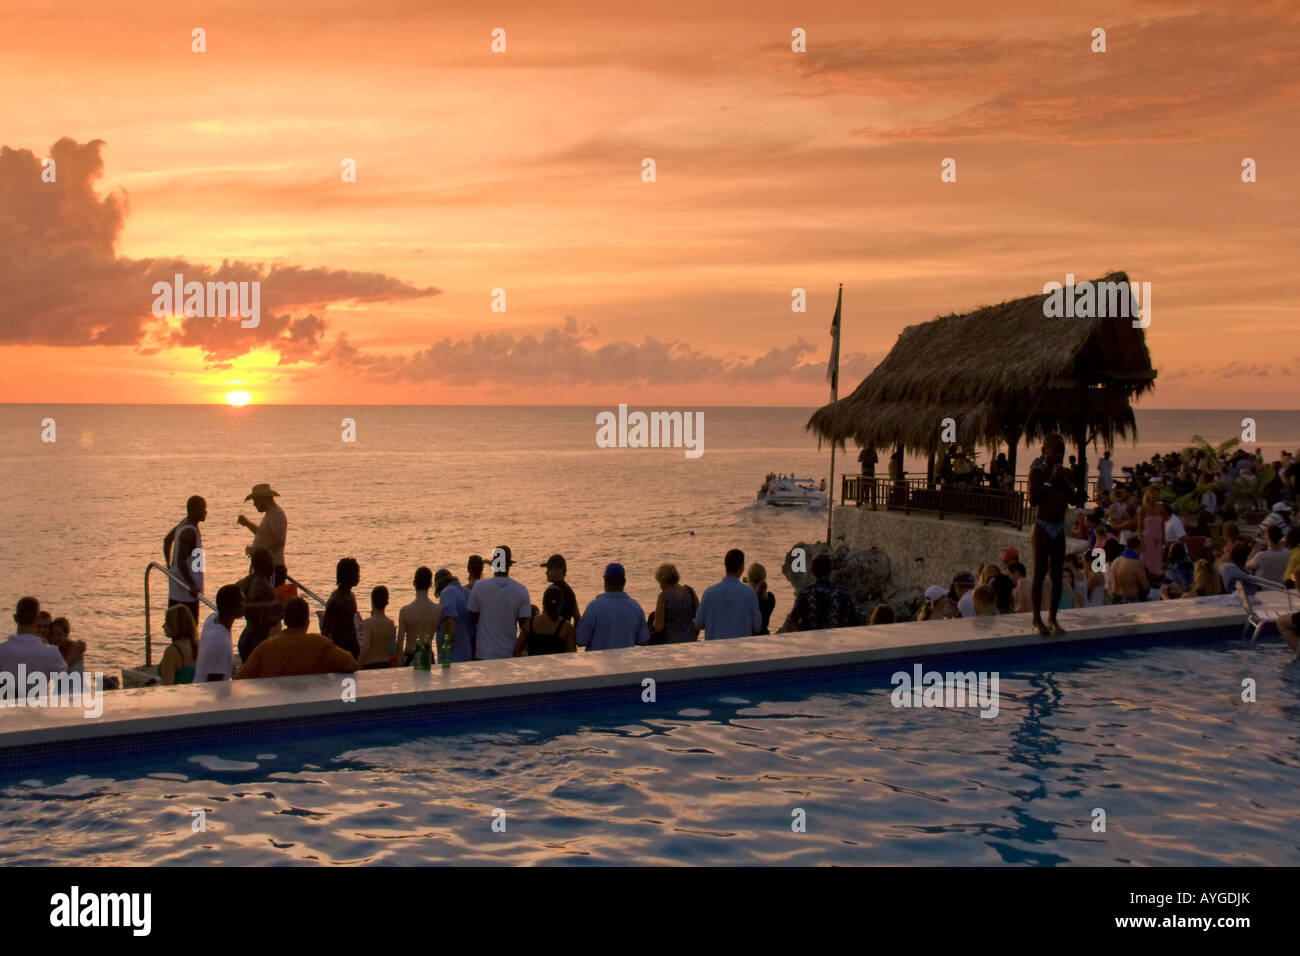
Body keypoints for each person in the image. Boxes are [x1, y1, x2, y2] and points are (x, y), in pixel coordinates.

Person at [1028, 433, 1085, 635]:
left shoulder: (1066, 474)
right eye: (1056, 451)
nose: (1060, 455)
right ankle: (1036, 618)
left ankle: (1052, 617)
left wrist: (1065, 482)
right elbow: (1033, 500)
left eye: (1062, 451)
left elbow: (1075, 499)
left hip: (1059, 527)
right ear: (1044, 451)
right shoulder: (1037, 472)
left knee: (1057, 575)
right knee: (1039, 572)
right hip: (1042, 526)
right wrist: (1052, 480)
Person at [235, 598, 359, 679]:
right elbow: (351, 664)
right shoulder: (318, 644)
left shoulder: (265, 647)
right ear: (307, 621)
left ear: (285, 620)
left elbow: (240, 679)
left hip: (274, 706)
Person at [468, 546, 531, 660]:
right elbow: (524, 626)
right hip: (508, 653)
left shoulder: (479, 587)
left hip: (483, 654)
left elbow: (472, 618)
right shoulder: (521, 590)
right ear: (509, 565)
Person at [576, 564, 650, 650]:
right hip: (626, 662)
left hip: (599, 662)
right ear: (624, 582)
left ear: (605, 581)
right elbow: (643, 640)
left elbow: (581, 640)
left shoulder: (593, 607)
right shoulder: (635, 607)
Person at [783, 553, 864, 631]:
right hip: (839, 640)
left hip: (812, 641)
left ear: (812, 571)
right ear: (830, 571)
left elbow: (792, 622)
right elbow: (859, 617)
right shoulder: (842, 592)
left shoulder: (805, 594)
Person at [695, 549, 763, 640]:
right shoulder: (750, 594)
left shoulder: (709, 593)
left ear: (725, 566)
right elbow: (757, 627)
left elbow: (698, 625)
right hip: (741, 650)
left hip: (714, 650)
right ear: (741, 568)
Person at [0, 597, 67, 682]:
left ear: (15, 618)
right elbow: (64, 679)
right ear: (38, 618)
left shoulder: (2, 651)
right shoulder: (50, 653)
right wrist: (74, 652)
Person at [163, 495, 206, 623]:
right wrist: (192, 584)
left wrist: (170, 564)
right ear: (192, 510)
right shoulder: (189, 532)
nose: (205, 512)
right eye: (202, 509)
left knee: (177, 628)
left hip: (177, 589)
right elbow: (181, 560)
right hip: (186, 594)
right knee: (189, 628)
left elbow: (167, 540)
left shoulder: (183, 524)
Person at [237, 547, 282, 663]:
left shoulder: (247, 581)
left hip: (245, 636)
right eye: (271, 561)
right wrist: (282, 611)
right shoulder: (265, 587)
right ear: (263, 564)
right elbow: (266, 620)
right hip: (257, 640)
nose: (274, 564)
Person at [238, 483, 288, 585]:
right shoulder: (270, 514)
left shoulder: (276, 514)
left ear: (263, 499)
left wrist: (258, 552)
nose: (254, 504)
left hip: (273, 568)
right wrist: (247, 524)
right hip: (265, 569)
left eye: (255, 501)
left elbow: (279, 540)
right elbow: (264, 535)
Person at [397, 567, 446, 666]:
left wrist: (398, 667)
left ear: (414, 583)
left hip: (410, 657)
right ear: (430, 584)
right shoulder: (439, 610)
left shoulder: (405, 611)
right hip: (428, 657)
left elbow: (399, 645)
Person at [195, 584, 243, 682]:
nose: (247, 603)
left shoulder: (211, 619)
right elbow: (214, 685)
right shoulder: (220, 642)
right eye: (243, 600)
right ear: (235, 607)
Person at [515, 585, 577, 656]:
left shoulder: (530, 623)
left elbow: (517, 651)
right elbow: (572, 655)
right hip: (556, 666)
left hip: (534, 666)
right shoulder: (566, 626)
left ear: (543, 603)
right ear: (560, 605)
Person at [322, 557, 363, 658]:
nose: (359, 577)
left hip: (352, 643)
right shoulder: (336, 600)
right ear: (348, 576)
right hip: (340, 644)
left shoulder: (351, 596)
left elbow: (351, 625)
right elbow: (325, 630)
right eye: (356, 574)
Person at [651, 563, 700, 644]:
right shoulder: (690, 591)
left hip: (671, 644)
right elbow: (699, 618)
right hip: (691, 641)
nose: (660, 586)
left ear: (663, 580)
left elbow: (658, 627)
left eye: (660, 582)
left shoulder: (663, 597)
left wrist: (652, 622)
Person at [433, 569, 473, 663]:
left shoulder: (447, 592)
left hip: (453, 654)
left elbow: (450, 619)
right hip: (466, 651)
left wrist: (447, 644)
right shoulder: (466, 592)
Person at [358, 586, 397, 669]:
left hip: (369, 664)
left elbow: (366, 648)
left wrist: (357, 665)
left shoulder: (368, 623)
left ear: (372, 602)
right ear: (387, 602)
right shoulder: (390, 623)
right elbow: (391, 647)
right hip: (385, 663)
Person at [159, 603, 198, 685]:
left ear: (175, 625)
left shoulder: (172, 651)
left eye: (166, 622)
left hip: (179, 695)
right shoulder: (198, 644)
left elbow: (167, 686)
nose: (163, 626)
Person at [539, 554, 581, 627]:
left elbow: (544, 616)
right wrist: (571, 635)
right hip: (564, 633)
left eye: (549, 569)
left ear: (559, 570)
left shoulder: (550, 591)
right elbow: (577, 618)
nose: (546, 572)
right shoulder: (569, 591)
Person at [1110, 538, 1150, 603]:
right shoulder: (1136, 564)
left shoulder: (1116, 561)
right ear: (1138, 547)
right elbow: (1145, 586)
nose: (1140, 553)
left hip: (1116, 599)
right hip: (1130, 599)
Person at [1137, 487, 1165, 581]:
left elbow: (1163, 525)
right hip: (1147, 537)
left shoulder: (1160, 508)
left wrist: (1164, 537)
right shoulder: (1144, 509)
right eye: (1153, 494)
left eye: (1157, 494)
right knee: (1147, 559)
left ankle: (1156, 579)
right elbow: (1140, 526)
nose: (1155, 497)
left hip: (1158, 537)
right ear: (1149, 495)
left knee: (1157, 559)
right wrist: (1140, 538)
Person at [746, 563, 777, 635]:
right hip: (764, 635)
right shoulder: (770, 597)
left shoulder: (747, 596)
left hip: (748, 637)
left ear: (749, 578)